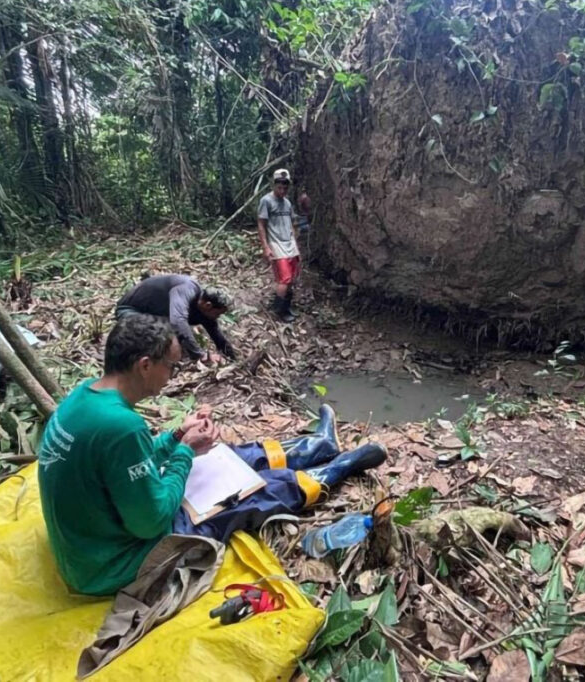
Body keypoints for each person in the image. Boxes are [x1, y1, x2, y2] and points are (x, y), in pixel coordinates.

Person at [39, 313, 386, 596]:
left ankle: (317, 447)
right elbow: (150, 522)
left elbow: (124, 461)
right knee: (245, 493)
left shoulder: (84, 396)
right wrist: (185, 453)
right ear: (145, 365)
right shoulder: (120, 425)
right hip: (115, 564)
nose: (172, 376)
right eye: (171, 367)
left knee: (223, 457)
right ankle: (336, 470)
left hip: (91, 545)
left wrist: (177, 437)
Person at [116, 273, 236, 362]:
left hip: (154, 314)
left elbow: (214, 331)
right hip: (130, 311)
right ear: (208, 305)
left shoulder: (201, 305)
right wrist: (200, 355)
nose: (218, 317)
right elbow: (178, 321)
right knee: (159, 337)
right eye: (218, 313)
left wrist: (231, 358)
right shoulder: (187, 288)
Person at [257, 168, 301, 322]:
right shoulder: (266, 201)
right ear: (274, 185)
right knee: (284, 279)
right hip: (276, 244)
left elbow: (291, 225)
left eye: (285, 187)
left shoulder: (287, 203)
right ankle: (279, 311)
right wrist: (266, 247)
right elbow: (261, 224)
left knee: (292, 279)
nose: (282, 190)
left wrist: (296, 247)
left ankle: (286, 307)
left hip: (290, 244)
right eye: (279, 187)